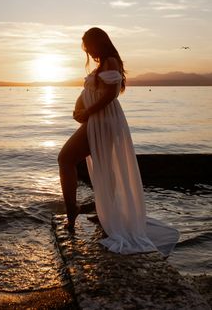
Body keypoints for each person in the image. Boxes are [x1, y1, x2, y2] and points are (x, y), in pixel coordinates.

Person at [58, 27, 179, 255]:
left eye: (88, 45)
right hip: (97, 120)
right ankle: (107, 214)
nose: (86, 50)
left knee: (65, 158)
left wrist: (87, 112)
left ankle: (72, 211)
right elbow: (91, 90)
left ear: (98, 43)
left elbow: (111, 94)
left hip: (104, 120)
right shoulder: (102, 65)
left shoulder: (111, 61)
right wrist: (78, 108)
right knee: (104, 168)